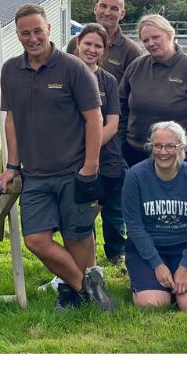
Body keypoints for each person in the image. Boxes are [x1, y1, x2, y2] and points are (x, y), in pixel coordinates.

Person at [0, 3, 113, 311]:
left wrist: (90, 167)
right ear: (18, 35)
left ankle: (71, 294)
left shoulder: (73, 68)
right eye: (25, 33)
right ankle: (87, 289)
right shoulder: (10, 70)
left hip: (74, 170)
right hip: (34, 174)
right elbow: (12, 120)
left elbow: (94, 119)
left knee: (77, 237)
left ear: (49, 29)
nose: (32, 37)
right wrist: (12, 165)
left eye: (38, 30)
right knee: (36, 240)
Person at [122, 121, 187, 310]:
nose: (163, 152)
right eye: (158, 146)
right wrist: (157, 264)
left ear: (182, 147)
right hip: (148, 251)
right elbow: (135, 227)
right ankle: (150, 284)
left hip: (185, 248)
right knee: (154, 304)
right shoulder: (135, 176)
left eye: (171, 146)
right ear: (150, 147)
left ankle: (178, 283)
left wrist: (186, 266)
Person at [118, 13, 187, 168]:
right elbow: (120, 105)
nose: (150, 43)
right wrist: (122, 142)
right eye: (145, 40)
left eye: (155, 37)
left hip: (178, 158)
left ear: (169, 34)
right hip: (136, 153)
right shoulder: (136, 67)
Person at [70, 24, 127, 269]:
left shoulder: (109, 81)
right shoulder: (65, 75)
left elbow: (113, 123)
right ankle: (86, 261)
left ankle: (117, 255)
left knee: (113, 211)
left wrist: (90, 149)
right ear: (78, 44)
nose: (92, 50)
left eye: (98, 46)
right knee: (84, 212)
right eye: (88, 44)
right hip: (74, 159)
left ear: (103, 51)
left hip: (108, 158)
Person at [68, 0, 145, 76]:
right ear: (95, 9)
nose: (107, 13)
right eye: (103, 6)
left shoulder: (131, 51)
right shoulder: (75, 43)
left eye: (114, 9)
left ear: (122, 14)